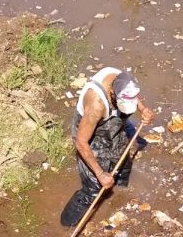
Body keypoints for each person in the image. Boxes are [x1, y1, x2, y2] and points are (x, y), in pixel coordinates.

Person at [60, 68, 154, 227]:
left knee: (122, 164)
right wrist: (100, 173)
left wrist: (143, 109)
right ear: (112, 93)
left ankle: (119, 191)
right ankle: (67, 224)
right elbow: (81, 142)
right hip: (88, 131)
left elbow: (131, 95)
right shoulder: (96, 104)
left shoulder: (123, 80)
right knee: (95, 186)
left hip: (111, 119)